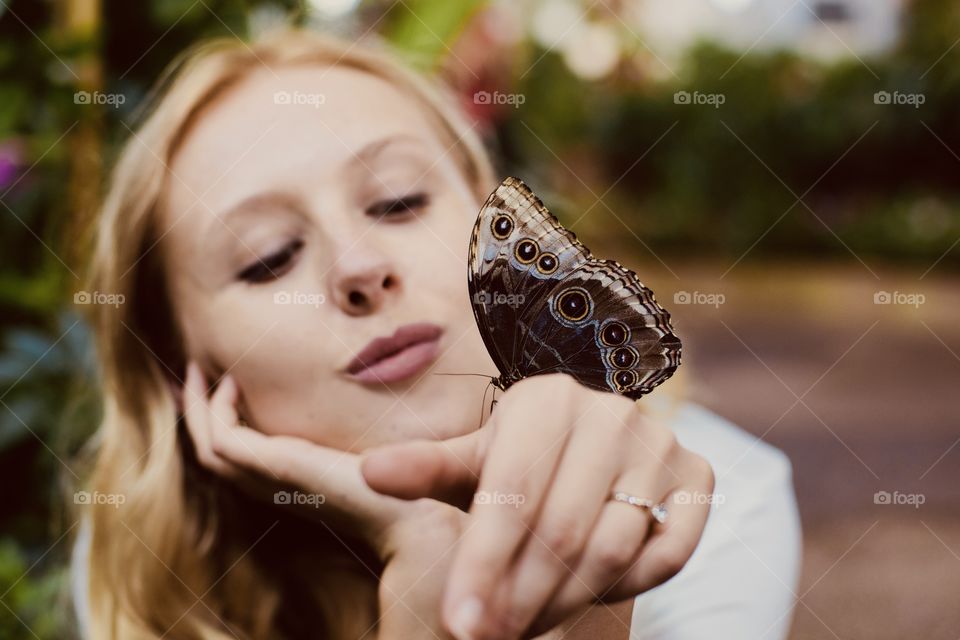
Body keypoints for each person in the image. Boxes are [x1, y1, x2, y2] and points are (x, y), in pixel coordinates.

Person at [70, 28, 801, 640]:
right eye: (268, 256)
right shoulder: (140, 566)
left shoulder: (718, 506)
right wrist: (422, 550)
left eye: (398, 201)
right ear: (179, 371)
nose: (360, 267)